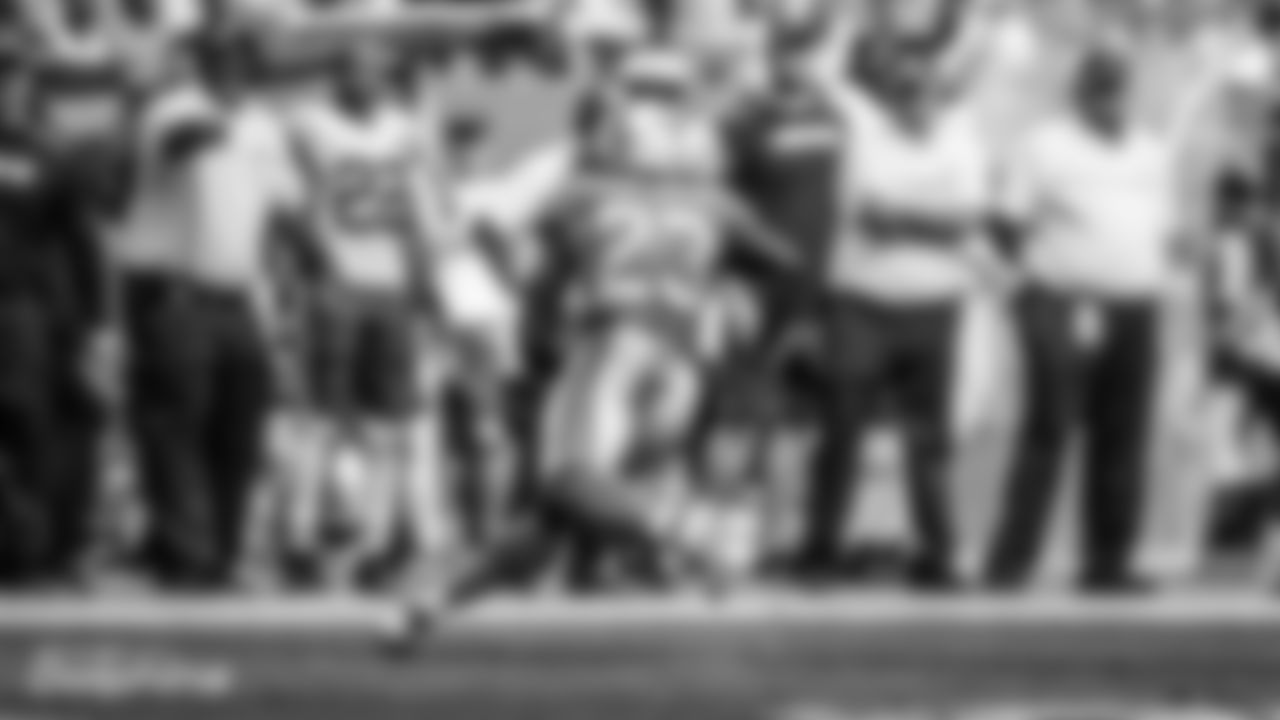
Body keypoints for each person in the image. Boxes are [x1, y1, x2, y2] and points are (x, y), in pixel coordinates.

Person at [796, 29, 1004, 590]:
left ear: (939, 94)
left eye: (924, 91)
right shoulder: (866, 129)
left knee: (929, 440)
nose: (916, 102)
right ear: (889, 96)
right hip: (862, 302)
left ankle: (937, 554)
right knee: (842, 427)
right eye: (904, 92)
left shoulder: (960, 134)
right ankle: (821, 549)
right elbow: (871, 216)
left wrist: (909, 218)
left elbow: (969, 217)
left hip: (935, 305)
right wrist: (935, 221)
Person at [985, 49, 1180, 593]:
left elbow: (1160, 228)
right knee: (1049, 426)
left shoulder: (1150, 151)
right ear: (1080, 94)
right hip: (1063, 299)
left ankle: (1108, 561)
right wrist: (1023, 292)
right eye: (1099, 89)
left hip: (1134, 303)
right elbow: (1006, 224)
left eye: (1116, 89)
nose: (1109, 100)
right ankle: (1011, 562)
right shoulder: (1046, 146)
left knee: (1123, 435)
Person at [117, 30, 302, 590]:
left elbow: (286, 204)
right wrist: (226, 119)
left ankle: (222, 555)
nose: (233, 67)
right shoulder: (175, 109)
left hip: (239, 299)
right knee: (176, 430)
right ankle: (186, 555)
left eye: (242, 57)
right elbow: (181, 143)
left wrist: (302, 278)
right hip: (175, 295)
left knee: (238, 435)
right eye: (222, 57)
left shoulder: (263, 125)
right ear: (202, 63)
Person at [288, 42, 446, 591]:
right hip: (337, 280)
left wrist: (427, 282)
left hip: (391, 283)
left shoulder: (405, 129)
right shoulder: (309, 124)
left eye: (378, 72)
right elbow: (293, 204)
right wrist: (312, 265)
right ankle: (300, 536)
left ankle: (375, 542)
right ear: (336, 75)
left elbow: (421, 211)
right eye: (358, 71)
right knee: (319, 418)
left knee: (388, 425)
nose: (370, 81)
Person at [0, 41, 116, 587]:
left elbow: (86, 239)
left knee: (49, 429)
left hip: (38, 315)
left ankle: (45, 548)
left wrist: (99, 323)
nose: (9, 89)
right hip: (21, 313)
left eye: (13, 79)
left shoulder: (48, 153)